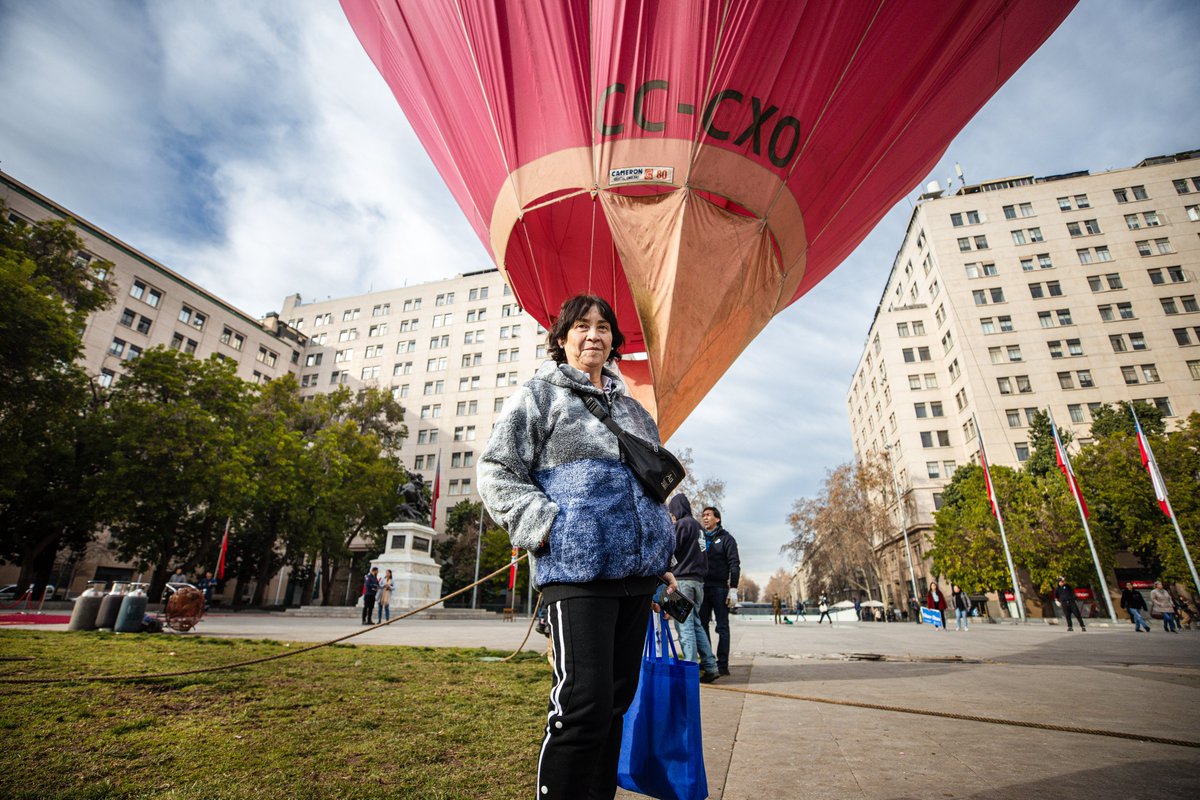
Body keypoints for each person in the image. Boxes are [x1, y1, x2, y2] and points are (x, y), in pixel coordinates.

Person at [478, 293, 677, 799]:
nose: (594, 334)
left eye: (604, 326)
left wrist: (662, 557)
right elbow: (496, 471)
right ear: (562, 338)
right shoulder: (538, 395)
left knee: (615, 703)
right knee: (581, 704)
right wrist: (545, 526)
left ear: (614, 340)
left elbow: (650, 490)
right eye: (582, 326)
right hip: (575, 572)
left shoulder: (635, 410)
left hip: (637, 577)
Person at [666, 495, 719, 683]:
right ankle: (711, 666)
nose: (671, 515)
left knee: (684, 626)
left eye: (672, 511)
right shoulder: (699, 529)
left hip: (682, 581)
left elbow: (670, 549)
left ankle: (689, 670)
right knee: (696, 625)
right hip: (698, 582)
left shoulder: (681, 525)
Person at [699, 506, 740, 676]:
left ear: (718, 519)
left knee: (722, 627)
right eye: (703, 516)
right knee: (701, 625)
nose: (705, 518)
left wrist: (734, 589)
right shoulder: (700, 538)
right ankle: (707, 660)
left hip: (720, 589)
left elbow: (734, 564)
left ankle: (723, 664)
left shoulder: (727, 539)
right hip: (702, 587)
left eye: (708, 515)